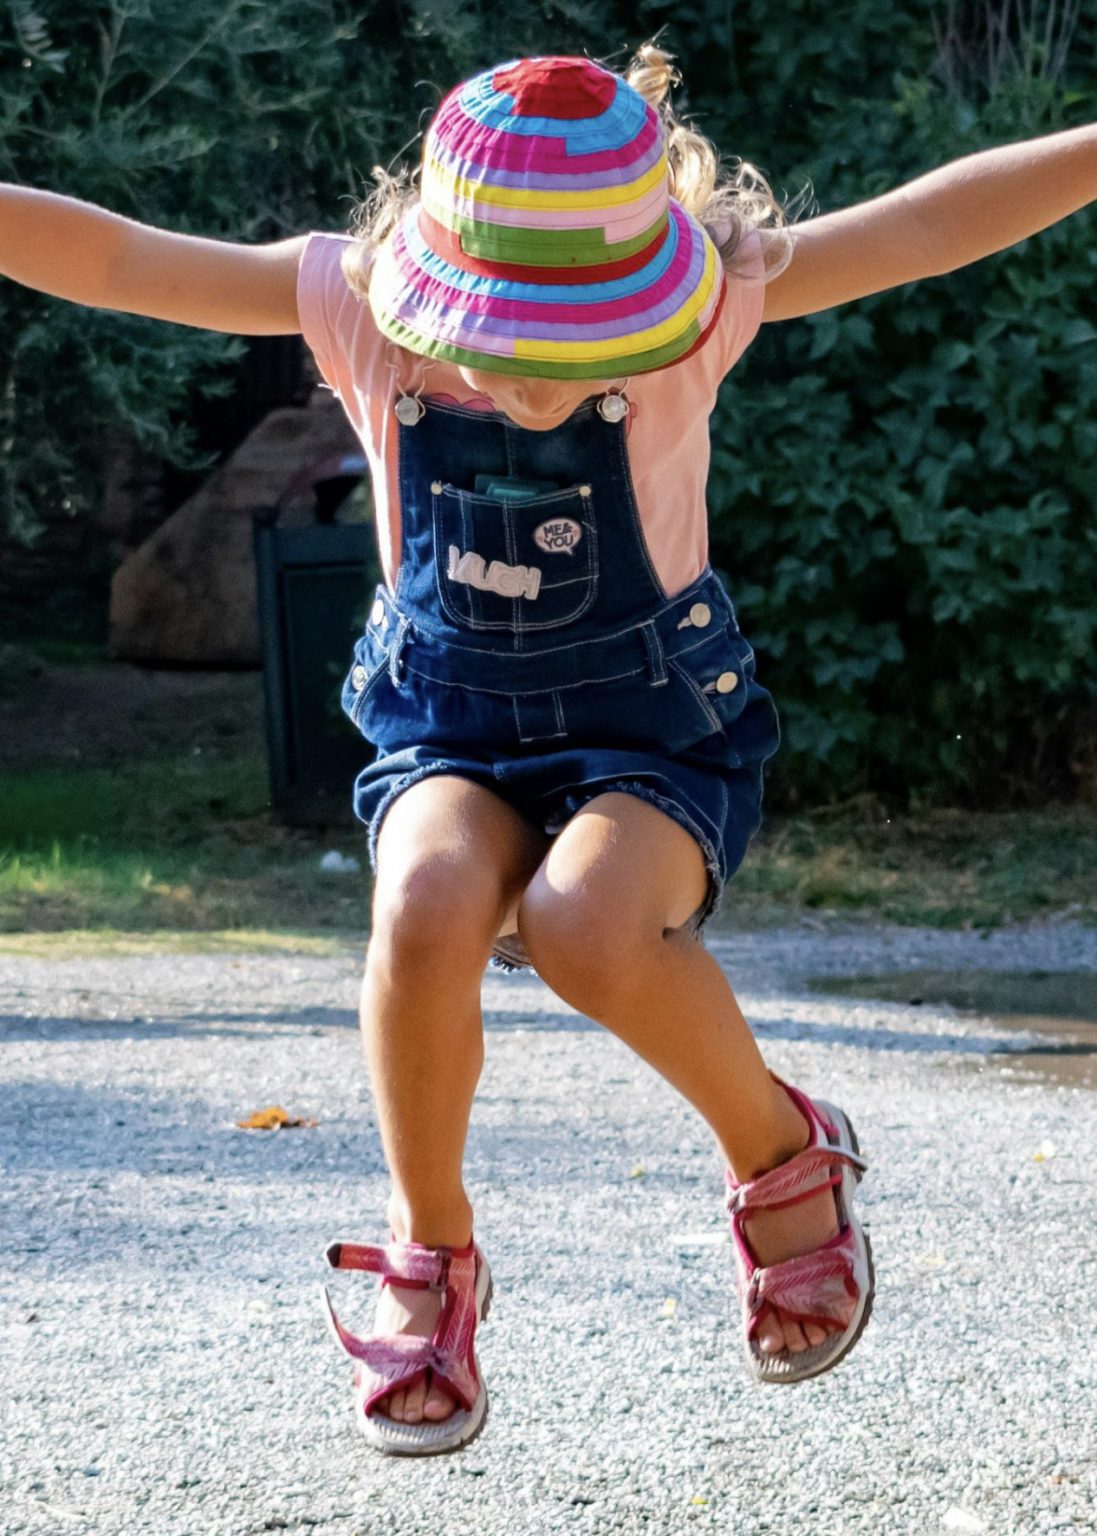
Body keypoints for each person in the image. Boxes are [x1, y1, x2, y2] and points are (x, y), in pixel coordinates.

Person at [3, 39, 1095, 1459]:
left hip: (652, 733)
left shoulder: (709, 301)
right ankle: (431, 1250)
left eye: (583, 349)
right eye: (508, 345)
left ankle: (782, 1151)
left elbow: (925, 225)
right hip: (448, 732)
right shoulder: (349, 304)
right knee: (422, 903)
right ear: (436, 284)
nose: (535, 386)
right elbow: (115, 259)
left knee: (586, 926)